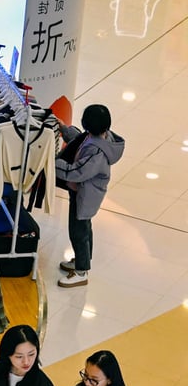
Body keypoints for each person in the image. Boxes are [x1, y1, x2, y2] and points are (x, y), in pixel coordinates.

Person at [55, 104, 125, 288]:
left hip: (85, 196)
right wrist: (64, 129)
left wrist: (52, 162)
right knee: (84, 228)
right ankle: (82, 260)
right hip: (82, 192)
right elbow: (78, 141)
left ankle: (81, 271)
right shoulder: (97, 138)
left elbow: (76, 172)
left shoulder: (97, 152)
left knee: (79, 232)